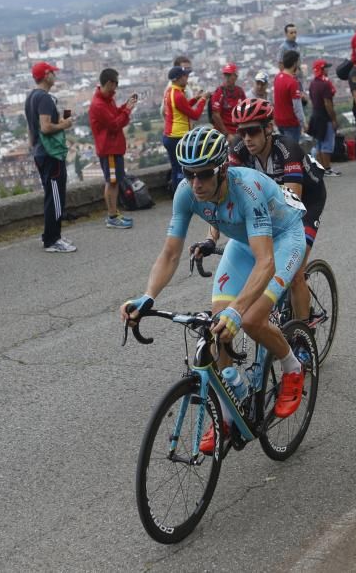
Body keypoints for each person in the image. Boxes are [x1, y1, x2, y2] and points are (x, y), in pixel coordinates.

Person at [119, 126, 308, 454]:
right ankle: (229, 406)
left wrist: (239, 309)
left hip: (282, 239)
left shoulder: (246, 189)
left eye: (204, 175)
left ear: (222, 169)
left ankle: (293, 367)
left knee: (250, 319)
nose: (196, 183)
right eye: (188, 174)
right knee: (216, 327)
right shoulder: (186, 192)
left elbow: (265, 262)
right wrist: (148, 296)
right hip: (243, 242)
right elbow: (170, 253)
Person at [229, 98, 327, 324]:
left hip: (306, 203)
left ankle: (304, 333)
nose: (246, 138)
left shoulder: (288, 150)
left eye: (252, 131)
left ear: (268, 128)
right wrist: (211, 236)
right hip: (273, 204)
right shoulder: (239, 149)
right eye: (241, 132)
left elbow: (292, 204)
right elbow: (226, 196)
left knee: (295, 271)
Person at [25, 61, 76, 252]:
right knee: (55, 196)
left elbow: (33, 129)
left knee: (51, 194)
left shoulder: (30, 97)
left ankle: (50, 235)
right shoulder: (45, 98)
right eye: (52, 73)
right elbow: (45, 127)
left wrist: (34, 148)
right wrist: (65, 125)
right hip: (50, 154)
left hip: (40, 152)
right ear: (46, 75)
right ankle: (53, 240)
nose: (55, 76)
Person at [89, 67, 138, 230]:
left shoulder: (107, 99)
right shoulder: (98, 104)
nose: (117, 87)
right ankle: (112, 216)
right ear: (109, 83)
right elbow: (114, 124)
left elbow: (115, 114)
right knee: (112, 182)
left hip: (114, 147)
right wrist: (128, 110)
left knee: (115, 181)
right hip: (109, 149)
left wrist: (125, 106)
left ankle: (114, 213)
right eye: (116, 83)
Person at [163, 65, 209, 192]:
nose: (187, 78)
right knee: (183, 168)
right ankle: (183, 195)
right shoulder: (178, 95)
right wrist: (203, 100)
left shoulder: (170, 92)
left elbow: (184, 107)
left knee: (175, 168)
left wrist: (196, 98)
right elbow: (195, 115)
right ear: (178, 78)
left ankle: (176, 194)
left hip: (169, 136)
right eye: (185, 76)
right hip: (178, 136)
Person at [308, 59, 341, 176]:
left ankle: (322, 168)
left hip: (316, 116)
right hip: (325, 117)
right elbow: (328, 103)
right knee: (327, 145)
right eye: (326, 67)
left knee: (319, 145)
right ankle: (327, 168)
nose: (327, 70)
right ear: (321, 69)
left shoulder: (313, 83)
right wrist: (333, 119)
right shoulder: (326, 84)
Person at [273, 50, 306, 143]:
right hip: (291, 123)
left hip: (279, 121)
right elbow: (297, 107)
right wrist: (304, 123)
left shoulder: (278, 77)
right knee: (292, 151)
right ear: (295, 63)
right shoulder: (292, 82)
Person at [209, 63, 246, 141]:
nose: (227, 78)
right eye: (225, 75)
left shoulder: (240, 92)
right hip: (223, 134)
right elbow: (215, 115)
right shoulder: (219, 92)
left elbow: (245, 111)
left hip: (238, 132)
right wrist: (227, 134)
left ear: (235, 77)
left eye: (229, 75)